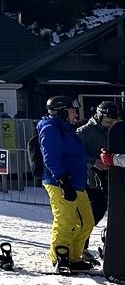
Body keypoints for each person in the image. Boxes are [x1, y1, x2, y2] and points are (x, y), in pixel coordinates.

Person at [38, 95, 96, 271]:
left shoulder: (67, 128)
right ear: (62, 111)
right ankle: (60, 257)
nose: (75, 113)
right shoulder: (50, 128)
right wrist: (63, 180)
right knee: (66, 221)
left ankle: (74, 257)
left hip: (77, 182)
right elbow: (50, 157)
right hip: (60, 183)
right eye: (72, 110)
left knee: (86, 222)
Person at [77, 101, 117, 263]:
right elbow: (76, 153)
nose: (110, 124)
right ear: (99, 117)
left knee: (115, 213)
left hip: (113, 178)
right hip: (92, 179)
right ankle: (81, 247)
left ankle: (111, 246)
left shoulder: (115, 130)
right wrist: (93, 161)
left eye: (112, 121)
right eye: (107, 121)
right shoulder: (85, 132)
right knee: (94, 213)